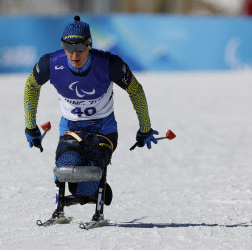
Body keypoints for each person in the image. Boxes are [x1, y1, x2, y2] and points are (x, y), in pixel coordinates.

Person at [24, 16, 158, 221]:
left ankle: (95, 190)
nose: (74, 53)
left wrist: (145, 128)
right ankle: (72, 201)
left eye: (80, 47)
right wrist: (30, 126)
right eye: (68, 46)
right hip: (70, 128)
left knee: (88, 181)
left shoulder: (109, 64)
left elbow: (136, 91)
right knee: (66, 169)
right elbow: (31, 86)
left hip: (103, 129)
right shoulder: (50, 63)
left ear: (89, 45)